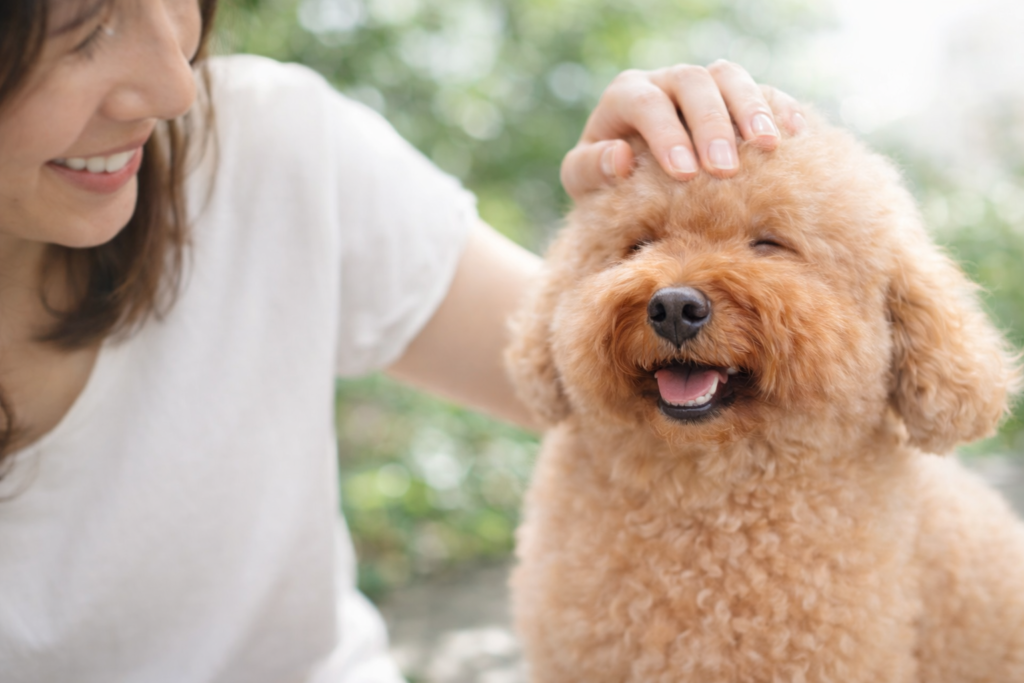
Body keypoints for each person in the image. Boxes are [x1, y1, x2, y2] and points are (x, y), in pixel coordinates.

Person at [0, 0, 804, 680]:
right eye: (83, 29)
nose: (174, 84)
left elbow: (602, 382)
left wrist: (617, 230)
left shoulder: (263, 149)